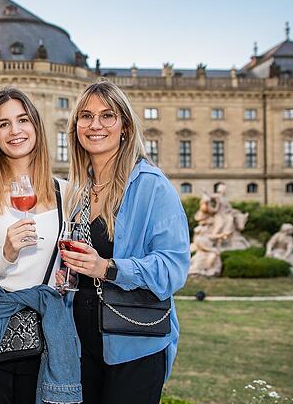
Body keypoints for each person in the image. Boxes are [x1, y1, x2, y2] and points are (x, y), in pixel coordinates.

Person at [58, 80, 190, 404]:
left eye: (107, 116)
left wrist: (107, 267)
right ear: (76, 127)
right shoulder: (79, 191)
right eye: (86, 116)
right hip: (82, 345)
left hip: (134, 344)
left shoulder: (152, 186)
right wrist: (68, 276)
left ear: (125, 127)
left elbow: (174, 268)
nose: (95, 125)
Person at [0, 87, 70, 403]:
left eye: (22, 120)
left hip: (46, 341)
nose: (15, 130)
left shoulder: (66, 192)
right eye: (3, 123)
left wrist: (69, 274)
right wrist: (5, 255)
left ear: (36, 126)